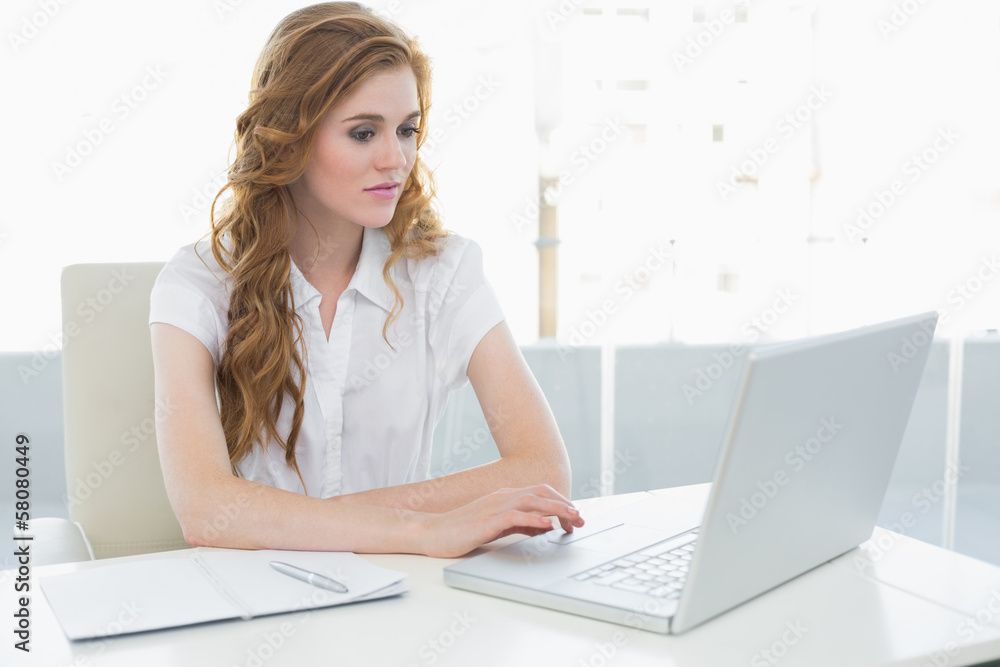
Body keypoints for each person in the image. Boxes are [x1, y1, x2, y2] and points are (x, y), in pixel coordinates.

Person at [149, 2, 583, 558]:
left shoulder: (442, 273)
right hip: (257, 607)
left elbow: (543, 468)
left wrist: (287, 523)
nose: (395, 159)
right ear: (288, 138)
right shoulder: (198, 283)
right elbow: (206, 509)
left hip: (401, 597)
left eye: (406, 130)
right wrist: (423, 529)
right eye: (362, 133)